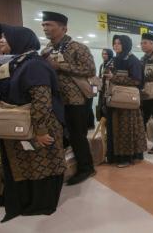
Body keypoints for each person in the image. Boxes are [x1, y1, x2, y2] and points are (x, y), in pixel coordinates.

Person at [0, 24, 65, 222]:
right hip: (23, 124)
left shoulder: (34, 65)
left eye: (5, 38)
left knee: (41, 163)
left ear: (19, 41)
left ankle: (38, 202)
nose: (1, 41)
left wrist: (40, 131)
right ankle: (23, 199)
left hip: (39, 125)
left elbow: (42, 100)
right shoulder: (18, 62)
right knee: (27, 163)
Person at [41, 11, 96, 185]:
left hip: (75, 99)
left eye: (49, 25)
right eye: (44, 25)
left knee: (77, 136)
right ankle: (63, 166)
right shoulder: (47, 49)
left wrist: (60, 66)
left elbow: (90, 70)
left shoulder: (77, 47)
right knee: (59, 136)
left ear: (63, 28)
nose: (45, 28)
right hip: (53, 99)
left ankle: (86, 168)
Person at [105, 35, 146, 167]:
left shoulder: (132, 60)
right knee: (115, 128)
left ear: (126, 45)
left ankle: (127, 157)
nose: (116, 46)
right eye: (114, 43)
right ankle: (115, 156)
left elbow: (136, 81)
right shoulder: (114, 59)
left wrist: (114, 77)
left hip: (127, 102)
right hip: (114, 100)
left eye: (119, 43)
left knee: (126, 128)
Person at [96, 48, 114, 120]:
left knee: (108, 110)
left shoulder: (112, 64)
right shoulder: (102, 65)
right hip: (102, 90)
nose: (104, 55)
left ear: (110, 54)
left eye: (106, 54)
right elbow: (100, 77)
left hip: (109, 90)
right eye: (103, 54)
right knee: (102, 109)